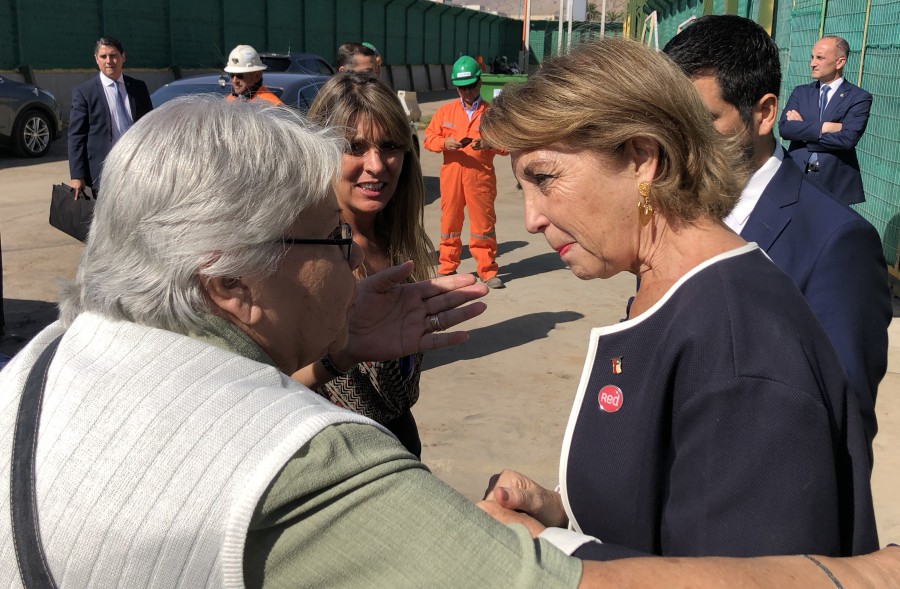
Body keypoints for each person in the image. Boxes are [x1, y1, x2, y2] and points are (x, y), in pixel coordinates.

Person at [1, 96, 899, 589]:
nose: (353, 263)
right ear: (229, 284)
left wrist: (330, 343)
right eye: (330, 243)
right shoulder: (300, 463)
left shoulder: (45, 359)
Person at [477, 38, 877, 561]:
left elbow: (734, 573)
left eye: (545, 178)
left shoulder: (740, 343)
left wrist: (543, 548)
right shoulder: (669, 290)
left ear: (642, 158)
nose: (531, 219)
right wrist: (560, 512)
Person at [662, 15, 890, 461]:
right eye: (670, 121)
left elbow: (840, 429)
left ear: (764, 114)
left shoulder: (837, 244)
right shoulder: (669, 211)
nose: (681, 142)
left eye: (703, 120)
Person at [303, 72, 433, 457]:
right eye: (354, 147)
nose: (376, 165)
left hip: (398, 442)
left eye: (390, 146)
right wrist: (340, 358)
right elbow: (260, 390)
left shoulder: (397, 240)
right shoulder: (300, 256)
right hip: (334, 457)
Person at [425, 55, 507, 289]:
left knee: (483, 226)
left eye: (471, 86)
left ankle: (487, 271)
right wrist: (445, 143)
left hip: (480, 178)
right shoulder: (445, 112)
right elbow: (429, 138)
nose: (467, 92)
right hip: (452, 177)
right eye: (462, 88)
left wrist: (489, 143)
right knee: (449, 223)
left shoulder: (492, 114)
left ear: (480, 82)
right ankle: (447, 267)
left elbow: (507, 145)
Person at [778, 36, 872, 205]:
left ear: (840, 62)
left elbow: (847, 139)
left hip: (835, 180)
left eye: (820, 58)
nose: (813, 63)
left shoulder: (859, 97)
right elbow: (785, 129)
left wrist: (804, 131)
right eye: (812, 57)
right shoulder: (801, 92)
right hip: (796, 174)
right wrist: (825, 127)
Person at [68, 36, 153, 197]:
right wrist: (77, 175)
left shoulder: (138, 88)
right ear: (96, 59)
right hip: (102, 171)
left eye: (113, 56)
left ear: (123, 57)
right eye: (103, 56)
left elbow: (150, 127)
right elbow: (76, 136)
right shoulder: (85, 92)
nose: (109, 61)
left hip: (137, 168)